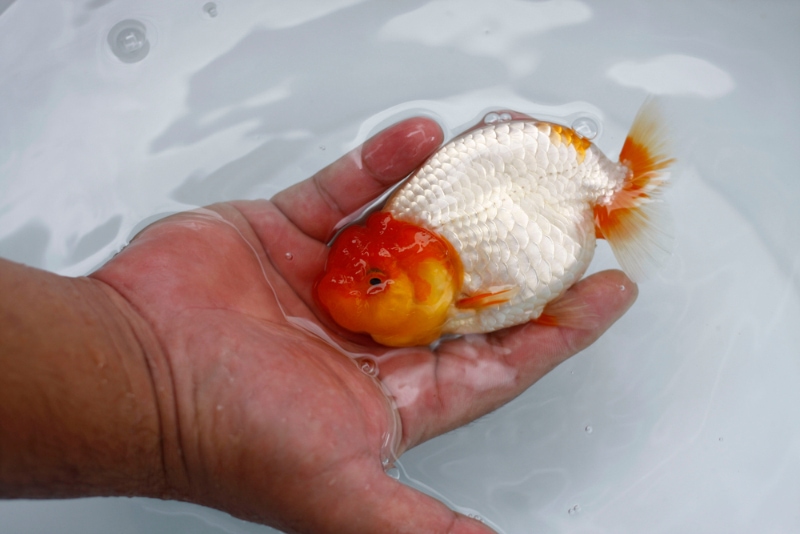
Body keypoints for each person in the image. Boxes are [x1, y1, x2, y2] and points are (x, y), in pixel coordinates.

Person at [0, 116, 636, 534]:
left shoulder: (467, 289)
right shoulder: (423, 260)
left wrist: (152, 371)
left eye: (375, 284)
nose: (344, 291)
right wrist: (160, 391)